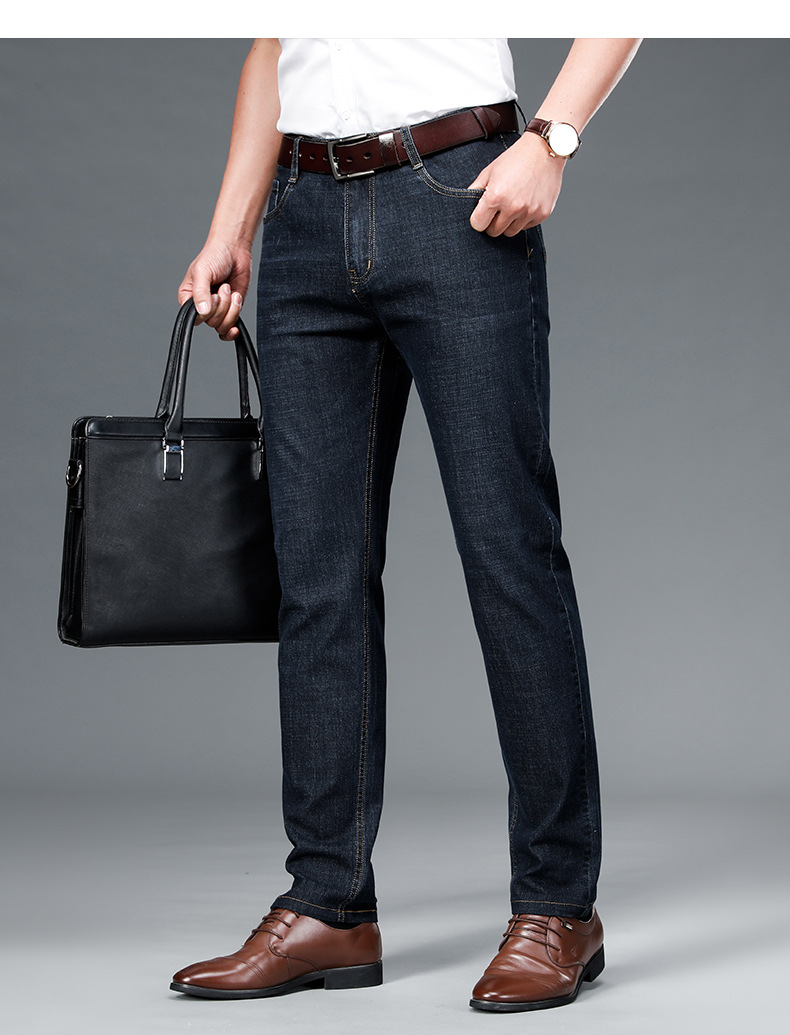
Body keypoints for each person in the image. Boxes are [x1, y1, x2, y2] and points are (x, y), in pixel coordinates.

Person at [170, 37, 642, 1013]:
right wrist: (231, 228)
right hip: (303, 215)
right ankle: (327, 903)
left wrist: (551, 140)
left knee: (508, 556)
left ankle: (558, 905)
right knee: (317, 579)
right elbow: (272, 45)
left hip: (457, 195)